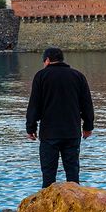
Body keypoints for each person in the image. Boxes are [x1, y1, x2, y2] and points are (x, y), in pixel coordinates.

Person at [26, 47, 95, 187]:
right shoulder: (78, 76)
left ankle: (48, 205)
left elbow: (34, 104)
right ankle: (75, 204)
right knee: (73, 173)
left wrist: (31, 127)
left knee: (48, 174)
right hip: (72, 132)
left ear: (47, 60)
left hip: (49, 133)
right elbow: (87, 104)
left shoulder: (41, 76)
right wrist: (88, 126)